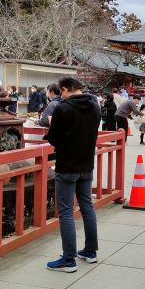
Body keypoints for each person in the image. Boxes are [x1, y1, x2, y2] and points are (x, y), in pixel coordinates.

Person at [45, 77, 100, 271]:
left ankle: (68, 259)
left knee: (66, 211)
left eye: (62, 92)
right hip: (86, 164)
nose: (62, 95)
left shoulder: (63, 109)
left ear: (66, 89)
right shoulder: (95, 106)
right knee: (87, 207)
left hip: (67, 165)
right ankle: (90, 251)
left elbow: (53, 138)